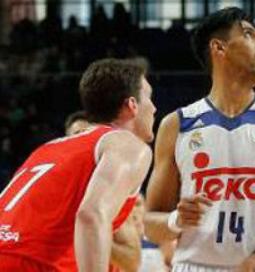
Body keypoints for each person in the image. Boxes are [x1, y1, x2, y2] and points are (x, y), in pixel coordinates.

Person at [144, 7, 255, 272]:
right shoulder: (176, 125)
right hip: (195, 265)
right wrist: (176, 220)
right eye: (249, 34)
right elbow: (150, 223)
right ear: (219, 48)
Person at [0, 58, 155, 272]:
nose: (154, 108)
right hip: (31, 263)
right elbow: (91, 214)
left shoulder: (48, 148)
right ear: (132, 105)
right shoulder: (127, 145)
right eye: (149, 97)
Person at [64, 110, 148, 272]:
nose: (83, 140)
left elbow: (132, 260)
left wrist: (90, 234)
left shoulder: (113, 195)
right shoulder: (55, 186)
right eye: (77, 135)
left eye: (87, 134)